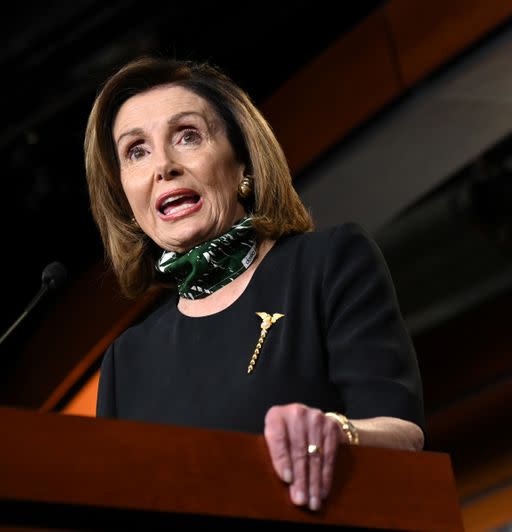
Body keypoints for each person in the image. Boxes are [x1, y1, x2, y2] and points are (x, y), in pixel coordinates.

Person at [85, 57, 425, 512]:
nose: (163, 166)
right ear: (125, 197)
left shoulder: (325, 263)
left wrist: (336, 432)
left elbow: (404, 434)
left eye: (187, 136)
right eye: (136, 152)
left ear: (242, 160)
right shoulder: (126, 362)